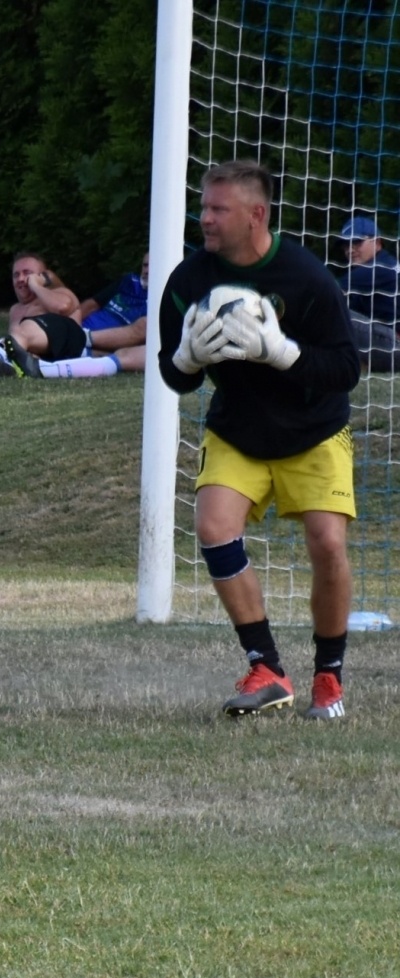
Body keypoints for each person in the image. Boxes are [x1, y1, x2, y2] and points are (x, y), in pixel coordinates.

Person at [157, 160, 361, 720]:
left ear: (257, 215)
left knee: (326, 543)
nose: (206, 219)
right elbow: (174, 377)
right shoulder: (188, 282)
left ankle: (329, 678)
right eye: (203, 207)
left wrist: (284, 353)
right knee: (213, 526)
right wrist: (185, 358)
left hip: (314, 430)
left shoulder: (307, 277)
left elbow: (346, 369)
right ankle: (266, 666)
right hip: (238, 430)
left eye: (218, 209)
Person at [0, 252, 149, 378]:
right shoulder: (16, 310)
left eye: (28, 273)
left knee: (30, 329)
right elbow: (91, 305)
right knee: (23, 334)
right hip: (69, 347)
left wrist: (38, 284)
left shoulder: (60, 294)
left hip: (75, 339)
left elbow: (64, 308)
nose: (22, 279)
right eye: (16, 274)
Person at [337, 215, 399, 372]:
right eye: (346, 244)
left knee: (330, 311)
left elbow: (327, 290)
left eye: (357, 242)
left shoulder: (379, 268)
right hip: (389, 342)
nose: (350, 249)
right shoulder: (376, 270)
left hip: (395, 347)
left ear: (377, 242)